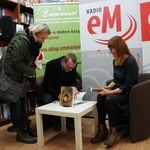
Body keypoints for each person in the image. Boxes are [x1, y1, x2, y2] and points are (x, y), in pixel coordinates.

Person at [4, 23, 50, 143]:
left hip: (19, 75)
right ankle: (20, 133)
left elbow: (25, 58)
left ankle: (26, 127)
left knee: (22, 101)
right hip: (11, 75)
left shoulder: (32, 40)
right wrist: (31, 70)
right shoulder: (22, 40)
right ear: (36, 33)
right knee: (16, 103)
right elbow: (15, 61)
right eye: (42, 38)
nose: (43, 41)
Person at [90, 36, 138, 146]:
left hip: (128, 94)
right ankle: (102, 130)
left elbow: (127, 85)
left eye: (111, 49)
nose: (110, 52)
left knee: (108, 99)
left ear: (118, 47)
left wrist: (109, 92)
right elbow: (116, 80)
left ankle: (113, 131)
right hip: (119, 90)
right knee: (100, 97)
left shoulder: (131, 61)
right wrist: (108, 87)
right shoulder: (115, 61)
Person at [41, 53, 78, 131]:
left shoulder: (72, 66)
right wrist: (58, 95)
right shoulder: (51, 65)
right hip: (51, 90)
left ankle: (68, 120)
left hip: (64, 89)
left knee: (72, 99)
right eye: (68, 67)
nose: (70, 70)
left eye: (72, 68)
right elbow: (47, 85)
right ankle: (55, 120)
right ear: (63, 61)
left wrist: (74, 87)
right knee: (47, 99)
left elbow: (73, 80)